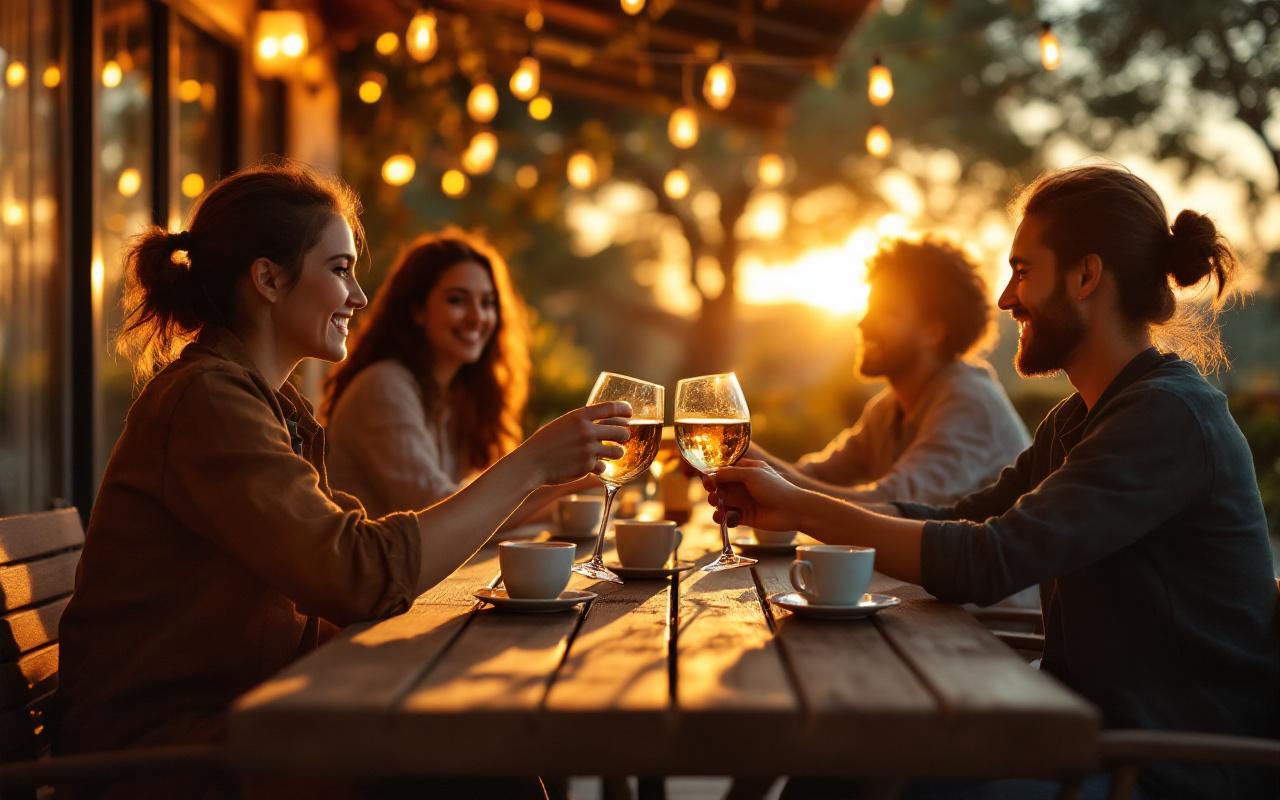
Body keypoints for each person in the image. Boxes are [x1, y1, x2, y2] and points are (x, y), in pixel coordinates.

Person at [708, 164, 1280, 800]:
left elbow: (990, 558)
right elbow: (962, 516)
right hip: (1078, 730)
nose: (1008, 299)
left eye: (1023, 270)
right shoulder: (1080, 417)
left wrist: (805, 509)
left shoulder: (1168, 416)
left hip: (1163, 767)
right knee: (841, 756)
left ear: (1086, 276)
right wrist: (789, 504)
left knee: (890, 782)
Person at [55, 162, 630, 795]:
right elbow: (360, 576)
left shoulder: (266, 405)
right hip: (167, 757)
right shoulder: (208, 403)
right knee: (480, 758)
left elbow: (350, 559)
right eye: (339, 269)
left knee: (483, 736)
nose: (358, 295)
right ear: (269, 279)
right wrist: (530, 466)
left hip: (245, 718)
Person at [323, 230, 584, 522]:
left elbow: (472, 502)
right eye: (457, 300)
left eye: (487, 303)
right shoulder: (383, 386)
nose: (477, 317)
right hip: (370, 566)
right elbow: (442, 511)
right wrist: (578, 478)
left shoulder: (454, 394)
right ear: (418, 310)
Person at [750, 237, 1029, 507]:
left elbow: (890, 505)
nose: (863, 323)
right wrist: (748, 466)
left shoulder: (969, 402)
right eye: (869, 306)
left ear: (933, 332)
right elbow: (810, 478)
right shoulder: (888, 409)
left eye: (886, 311)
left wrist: (751, 461)